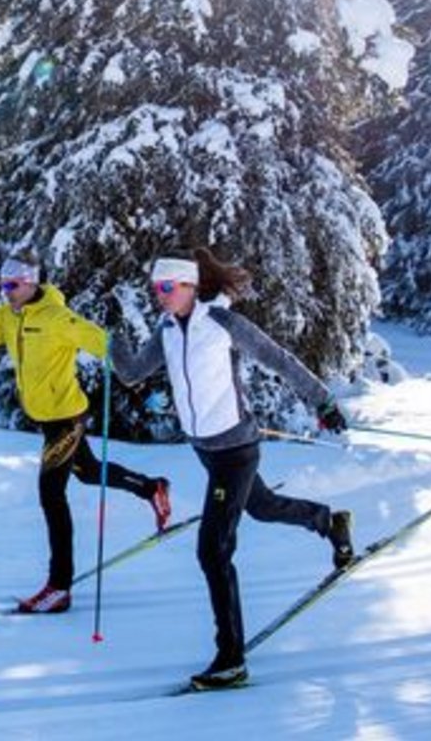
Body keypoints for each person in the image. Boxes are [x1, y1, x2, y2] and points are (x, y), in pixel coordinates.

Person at [110, 247, 353, 691]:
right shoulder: (166, 330)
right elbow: (129, 373)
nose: (159, 296)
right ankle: (329, 522)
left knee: (213, 551)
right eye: (155, 289)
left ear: (190, 286)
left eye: (167, 288)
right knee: (262, 505)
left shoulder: (222, 323)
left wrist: (323, 402)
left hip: (237, 449)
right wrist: (114, 336)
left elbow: (279, 359)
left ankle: (231, 659)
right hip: (205, 450)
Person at [0, 249, 171, 615]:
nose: (6, 292)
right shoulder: (8, 316)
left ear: (31, 283)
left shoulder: (58, 318)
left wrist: (140, 382)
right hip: (48, 420)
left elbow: (102, 342)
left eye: (12, 285)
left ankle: (59, 587)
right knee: (91, 473)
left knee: (51, 494)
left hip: (67, 419)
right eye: (2, 285)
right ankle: (151, 487)